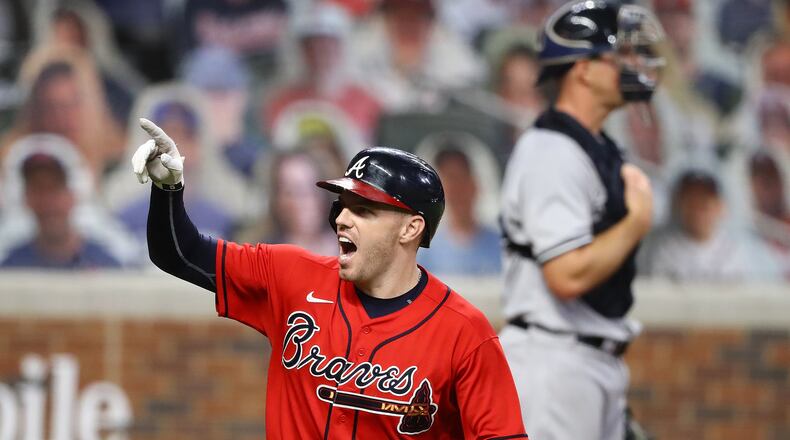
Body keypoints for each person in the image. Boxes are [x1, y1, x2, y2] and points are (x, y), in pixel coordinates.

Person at [131, 119, 528, 438]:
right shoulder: (291, 275)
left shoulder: (465, 333)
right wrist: (168, 189)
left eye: (364, 210)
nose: (342, 219)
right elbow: (178, 252)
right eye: (343, 206)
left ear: (411, 229)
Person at [498, 1, 664, 439]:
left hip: (583, 360)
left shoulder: (590, 145)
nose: (633, 64)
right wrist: (636, 222)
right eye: (619, 54)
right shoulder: (552, 152)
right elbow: (566, 275)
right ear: (583, 69)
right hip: (554, 362)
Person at [638, 168, 780, 281]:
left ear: (720, 207)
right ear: (679, 206)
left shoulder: (739, 250)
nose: (699, 209)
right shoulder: (663, 249)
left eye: (705, 202)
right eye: (691, 202)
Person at [1, 152, 120, 269]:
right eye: (39, 191)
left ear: (72, 196)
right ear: (26, 199)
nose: (48, 201)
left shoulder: (105, 264)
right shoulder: (12, 267)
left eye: (54, 189)